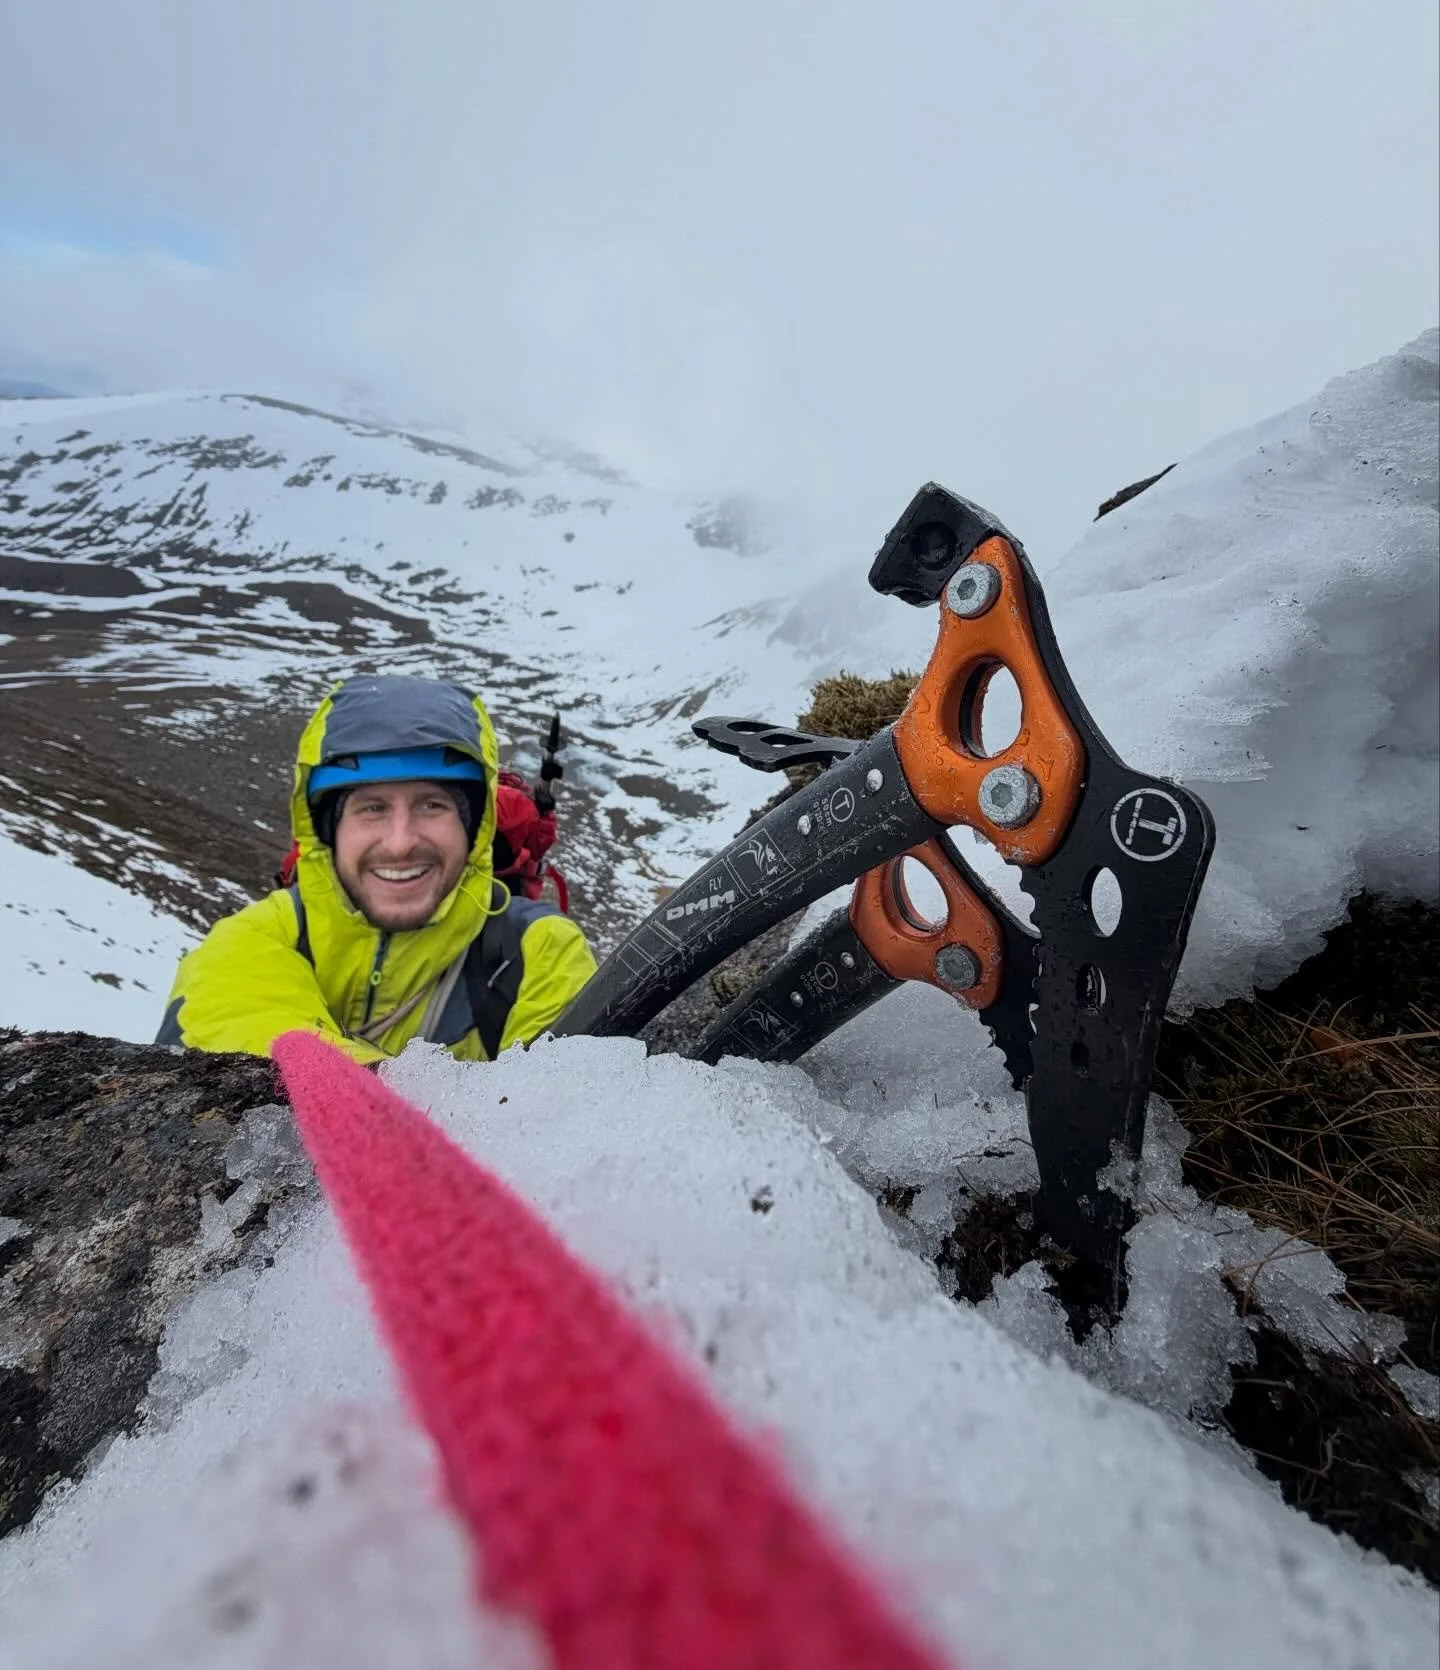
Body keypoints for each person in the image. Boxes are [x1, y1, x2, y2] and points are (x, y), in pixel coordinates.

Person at [157, 674, 597, 1063]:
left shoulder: (540, 952)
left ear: (474, 829)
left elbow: (566, 1126)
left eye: (432, 805)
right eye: (372, 808)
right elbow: (241, 1022)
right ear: (327, 830)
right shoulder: (255, 937)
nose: (401, 841)